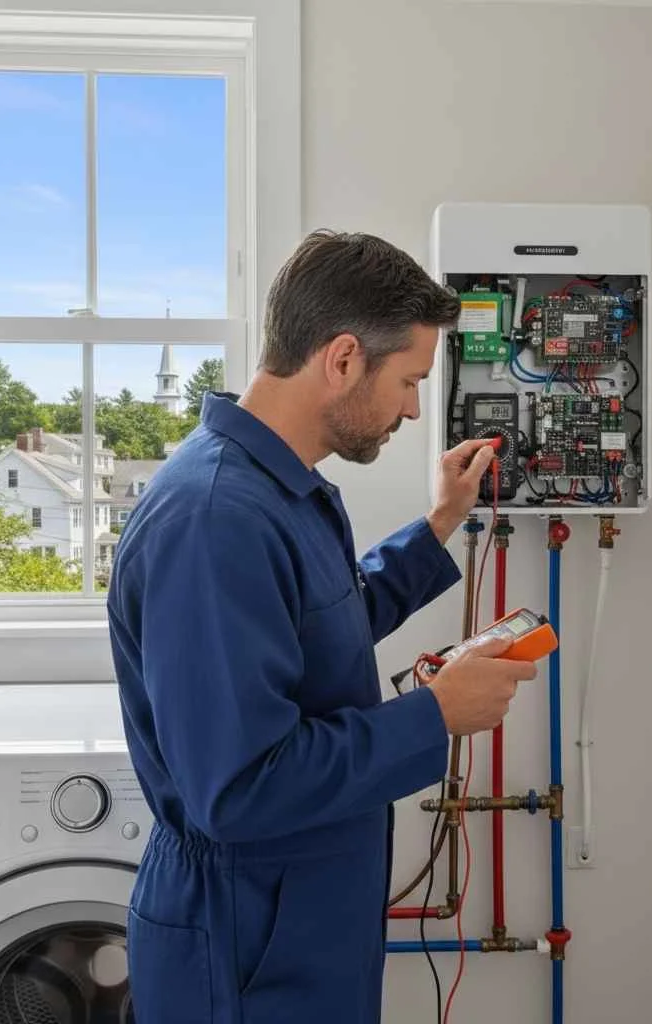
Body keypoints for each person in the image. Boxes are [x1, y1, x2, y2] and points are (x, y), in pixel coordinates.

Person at [106, 230, 536, 1024]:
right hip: (243, 947)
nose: (413, 407)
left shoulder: (278, 488)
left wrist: (440, 523)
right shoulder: (215, 520)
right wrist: (437, 713)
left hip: (296, 921)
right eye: (408, 381)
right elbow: (239, 788)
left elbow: (324, 627)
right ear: (342, 358)